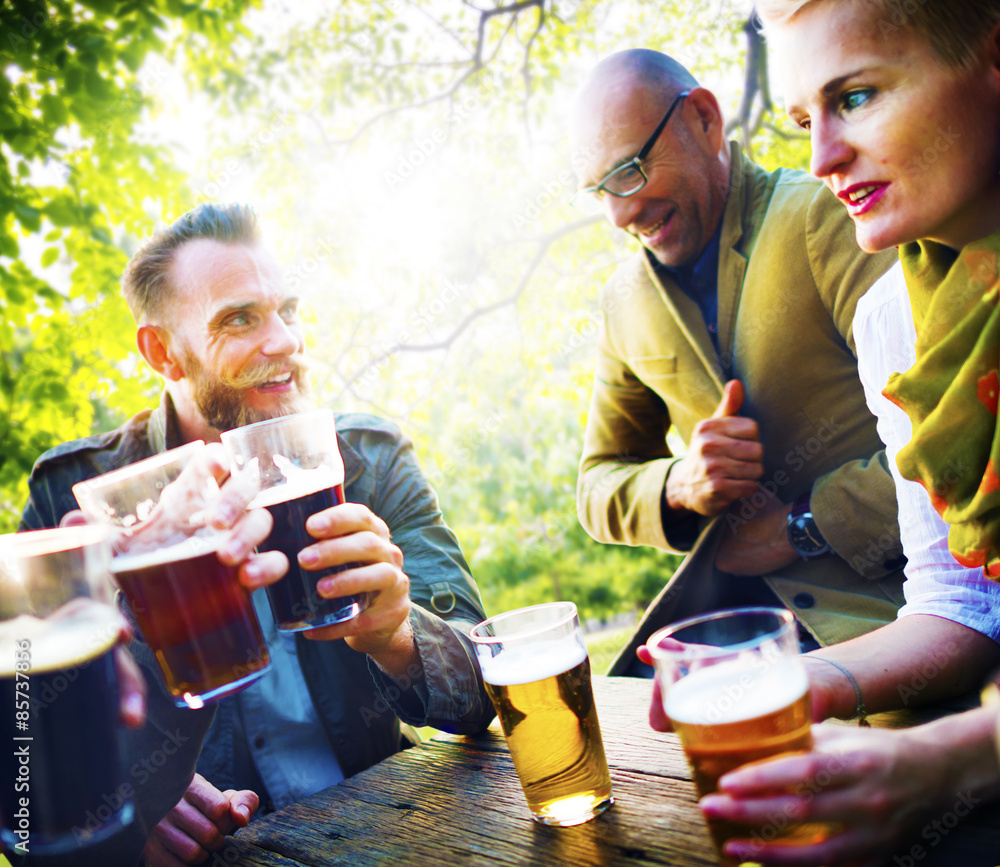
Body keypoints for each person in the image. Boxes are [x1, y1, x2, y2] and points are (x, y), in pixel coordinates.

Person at [19, 203, 494, 866]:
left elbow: (488, 688)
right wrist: (131, 790)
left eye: (288, 311)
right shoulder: (72, 496)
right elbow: (23, 767)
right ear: (163, 353)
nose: (286, 342)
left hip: (392, 834)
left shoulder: (370, 458)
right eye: (240, 318)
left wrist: (401, 635)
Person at [673, 1, 1000, 863]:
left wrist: (953, 757)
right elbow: (965, 600)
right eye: (800, 120)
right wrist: (803, 684)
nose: (821, 159)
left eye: (854, 97)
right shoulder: (896, 319)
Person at [569, 49, 906, 675]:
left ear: (704, 119)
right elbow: (596, 487)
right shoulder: (621, 303)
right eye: (598, 191)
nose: (618, 214)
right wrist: (680, 482)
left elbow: (965, 441)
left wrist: (805, 526)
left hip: (888, 628)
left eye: (631, 172)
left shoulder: (828, 218)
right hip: (718, 645)